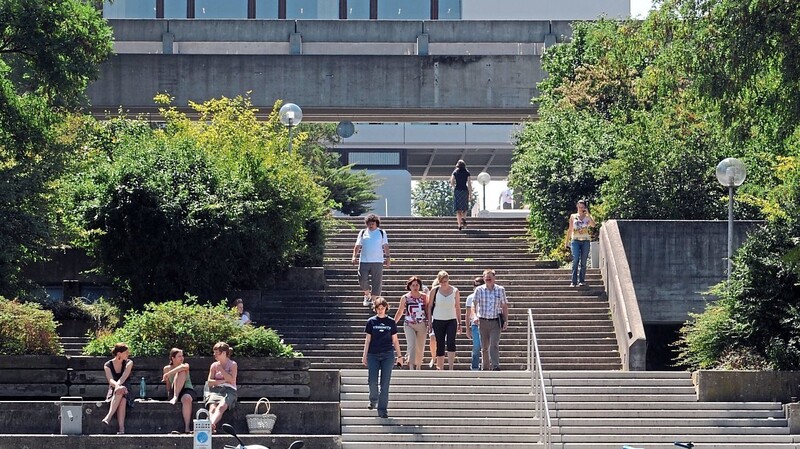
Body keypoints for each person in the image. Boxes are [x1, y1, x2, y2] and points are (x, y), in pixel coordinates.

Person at [362, 297, 403, 418]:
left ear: (386, 308)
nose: (380, 310)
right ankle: (373, 399)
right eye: (378, 308)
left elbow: (395, 340)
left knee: (385, 383)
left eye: (382, 308)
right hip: (373, 354)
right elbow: (368, 340)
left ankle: (382, 409)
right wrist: (364, 355)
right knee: (372, 381)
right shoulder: (371, 322)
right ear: (375, 309)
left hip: (387, 354)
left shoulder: (391, 322)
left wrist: (399, 356)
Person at [472, 269, 508, 371]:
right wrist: (474, 315)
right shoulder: (479, 290)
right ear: (483, 278)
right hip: (482, 321)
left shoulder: (500, 290)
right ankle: (485, 367)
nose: (488, 279)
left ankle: (495, 365)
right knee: (484, 347)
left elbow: (504, 305)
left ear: (494, 278)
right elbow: (473, 304)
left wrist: (506, 320)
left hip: (495, 321)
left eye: (490, 277)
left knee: (494, 344)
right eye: (486, 277)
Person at [352, 213, 391, 307]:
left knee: (376, 281)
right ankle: (367, 294)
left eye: (373, 223)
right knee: (362, 279)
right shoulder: (362, 232)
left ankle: (374, 301)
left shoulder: (381, 232)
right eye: (369, 223)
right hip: (364, 260)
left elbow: (385, 246)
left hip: (377, 260)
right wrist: (354, 256)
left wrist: (388, 257)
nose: (371, 224)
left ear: (376, 223)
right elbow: (357, 245)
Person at [426, 270, 462, 370]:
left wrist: (460, 322)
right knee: (440, 342)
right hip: (438, 319)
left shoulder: (455, 290)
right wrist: (429, 321)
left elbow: (458, 307)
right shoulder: (435, 290)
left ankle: (451, 367)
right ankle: (440, 367)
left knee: (451, 341)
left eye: (445, 281)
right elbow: (430, 306)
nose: (443, 283)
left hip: (451, 319)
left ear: (448, 280)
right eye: (441, 281)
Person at [394, 276, 429, 370]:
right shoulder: (405, 297)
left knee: (420, 345)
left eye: (417, 285)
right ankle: (411, 365)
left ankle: (418, 365)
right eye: (413, 285)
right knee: (412, 344)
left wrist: (429, 322)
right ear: (409, 286)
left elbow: (427, 310)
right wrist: (393, 323)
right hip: (409, 323)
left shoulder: (424, 297)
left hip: (422, 323)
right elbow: (400, 311)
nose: (415, 287)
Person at [205, 341, 238, 432]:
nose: (215, 355)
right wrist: (223, 380)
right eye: (214, 353)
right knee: (212, 408)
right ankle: (211, 427)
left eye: (217, 353)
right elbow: (210, 382)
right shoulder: (214, 365)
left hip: (229, 390)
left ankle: (210, 426)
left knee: (221, 407)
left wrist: (221, 370)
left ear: (224, 353)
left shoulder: (232, 364)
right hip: (215, 390)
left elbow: (231, 380)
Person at [101, 342, 133, 434]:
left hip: (126, 387)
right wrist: (117, 387)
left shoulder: (129, 363)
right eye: (126, 352)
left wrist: (119, 386)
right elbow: (110, 379)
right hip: (114, 388)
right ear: (119, 354)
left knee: (122, 393)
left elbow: (124, 376)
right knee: (122, 399)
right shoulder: (107, 365)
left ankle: (108, 417)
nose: (128, 354)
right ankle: (121, 429)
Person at [162, 347, 196, 434]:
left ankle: (187, 427)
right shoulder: (166, 368)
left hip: (186, 390)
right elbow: (168, 385)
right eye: (179, 356)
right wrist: (169, 395)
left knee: (187, 398)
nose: (182, 358)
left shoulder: (185, 365)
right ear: (173, 358)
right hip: (174, 390)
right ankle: (175, 396)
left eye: (182, 356)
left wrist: (168, 374)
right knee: (180, 371)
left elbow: (181, 368)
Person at [566, 199, 595, 287]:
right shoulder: (573, 216)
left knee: (583, 261)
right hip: (575, 240)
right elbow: (570, 229)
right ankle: (573, 281)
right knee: (575, 260)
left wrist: (588, 214)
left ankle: (581, 280)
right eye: (579, 207)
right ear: (577, 207)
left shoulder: (587, 217)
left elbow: (593, 225)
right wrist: (566, 241)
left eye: (582, 207)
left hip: (585, 240)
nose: (580, 209)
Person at [464, 276, 485, 370]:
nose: (477, 287)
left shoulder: (487, 295)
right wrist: (467, 329)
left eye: (479, 285)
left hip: (486, 323)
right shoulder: (470, 297)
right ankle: (475, 366)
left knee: (486, 346)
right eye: (475, 285)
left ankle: (485, 365)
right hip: (475, 324)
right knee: (476, 346)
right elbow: (467, 314)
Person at [450, 160, 472, 230]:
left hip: (457, 191)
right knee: (465, 208)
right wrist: (470, 194)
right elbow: (469, 184)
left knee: (458, 210)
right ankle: (464, 218)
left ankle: (459, 225)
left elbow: (452, 181)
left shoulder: (455, 172)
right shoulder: (467, 173)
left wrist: (453, 186)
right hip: (465, 190)